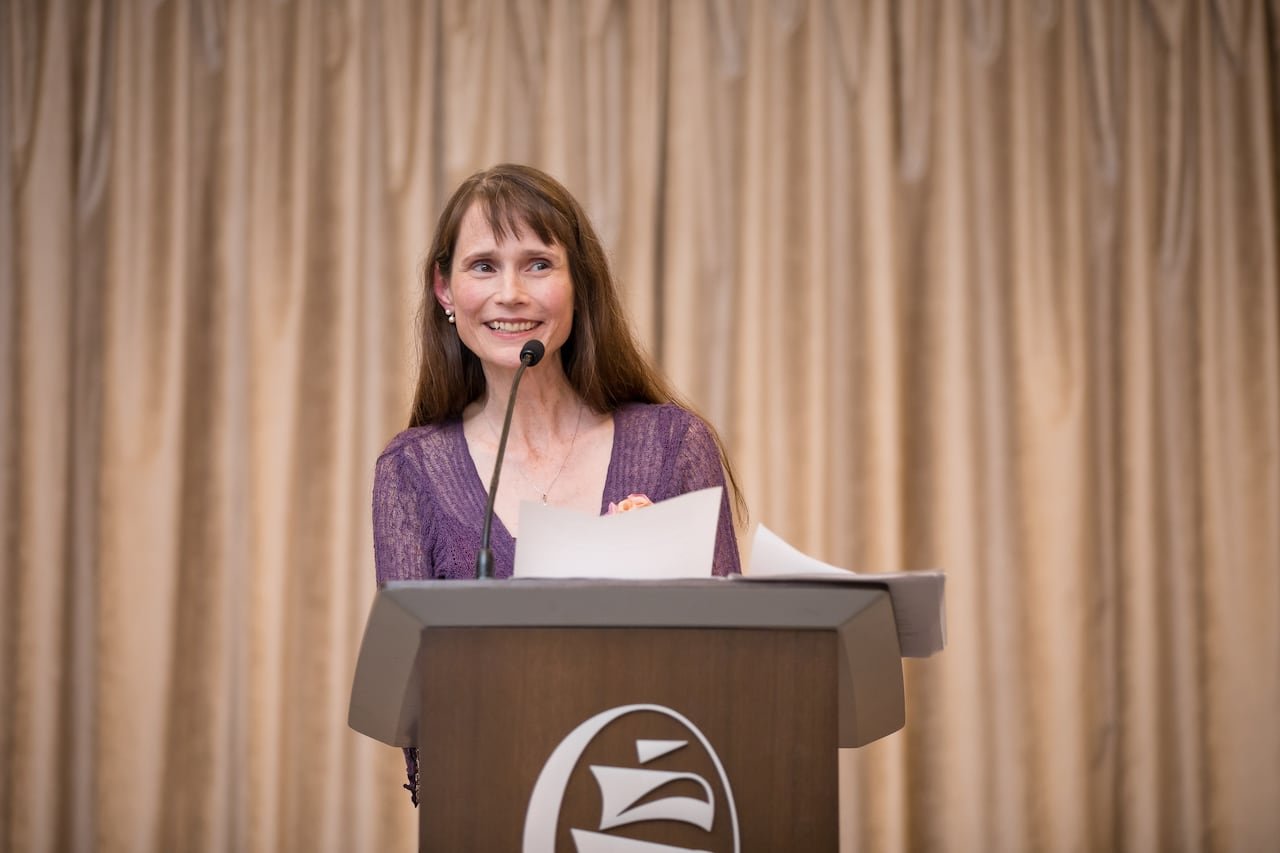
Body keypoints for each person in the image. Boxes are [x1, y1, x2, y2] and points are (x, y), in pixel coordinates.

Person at [370, 163, 744, 803]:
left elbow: (738, 669)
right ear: (445, 290)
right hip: (491, 812)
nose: (510, 293)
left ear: (578, 285)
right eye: (483, 265)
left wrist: (656, 579)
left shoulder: (674, 445)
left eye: (538, 264)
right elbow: (418, 715)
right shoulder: (411, 471)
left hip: (656, 804)